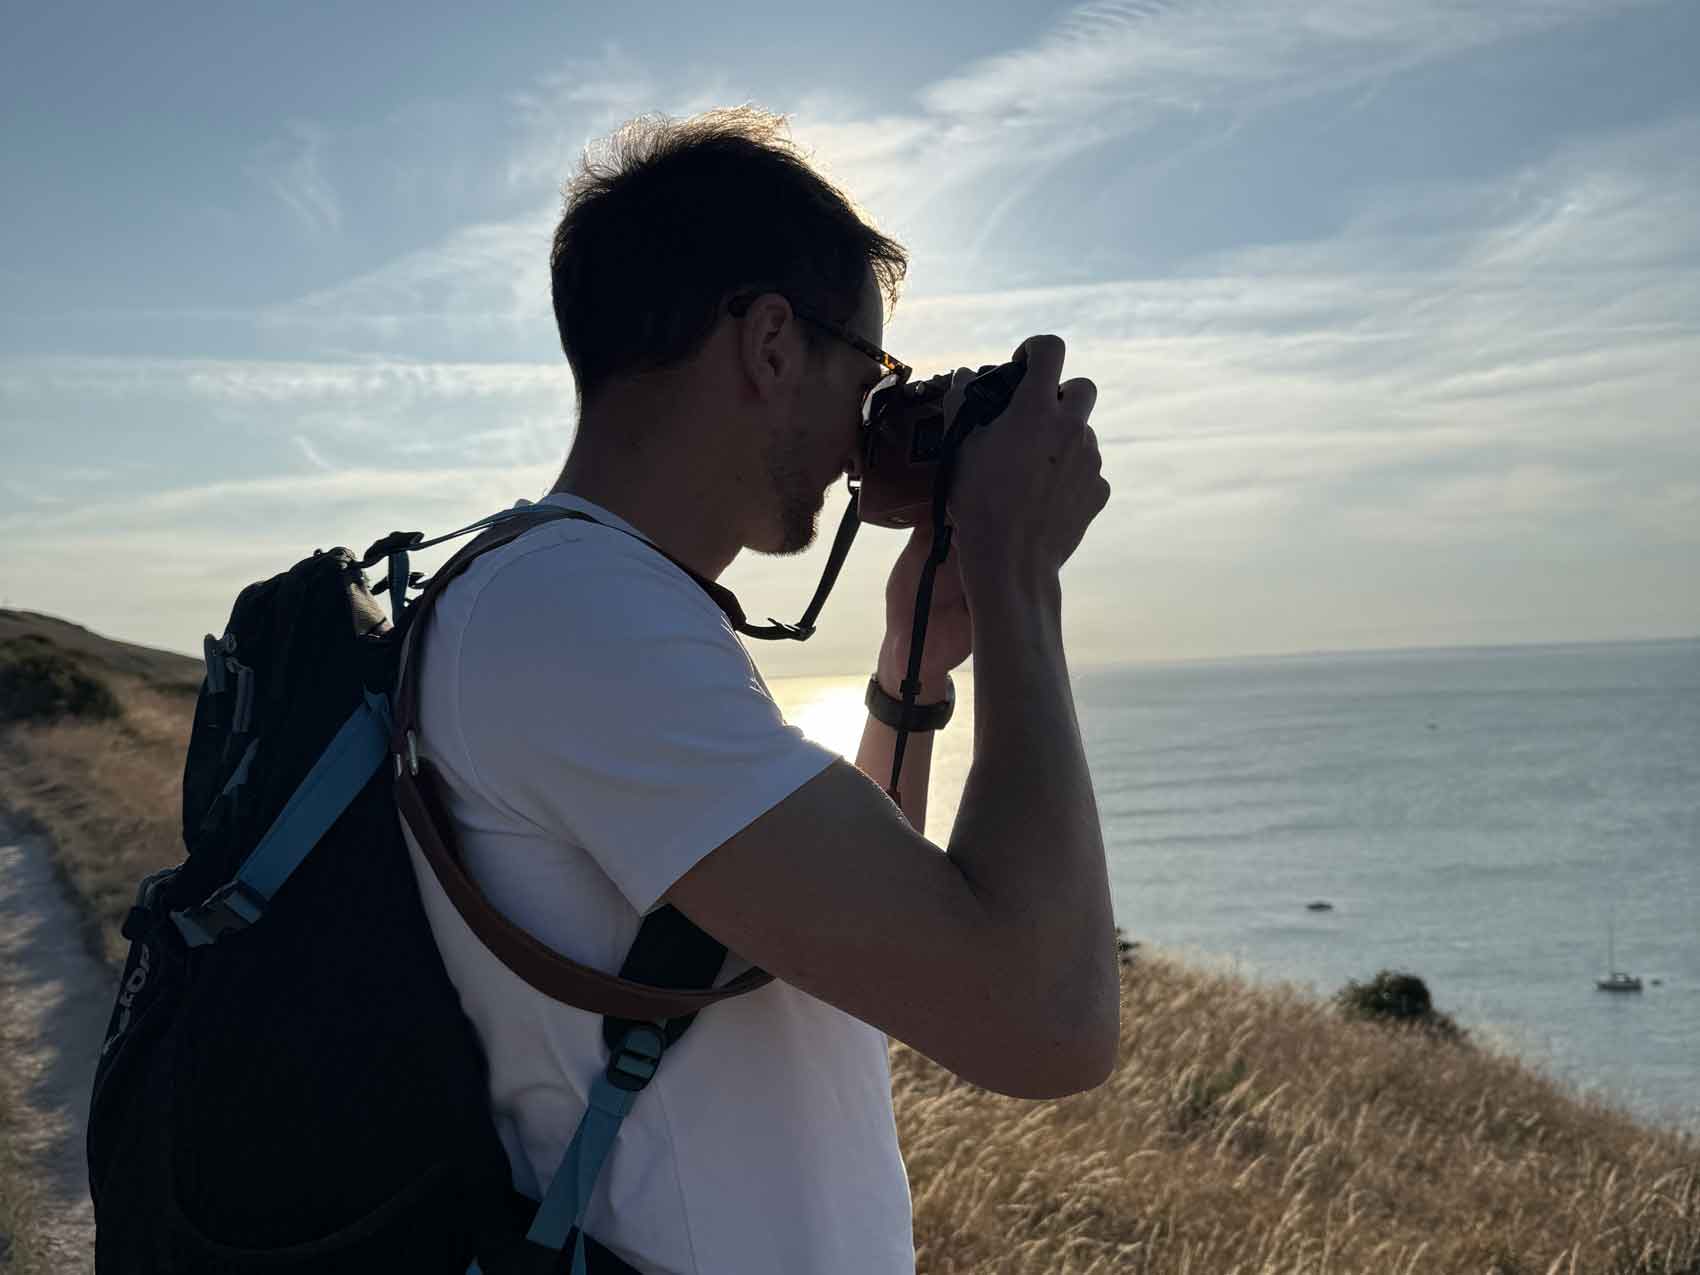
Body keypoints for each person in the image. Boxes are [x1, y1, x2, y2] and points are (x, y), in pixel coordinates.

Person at [399, 105, 1118, 1275]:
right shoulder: (577, 617)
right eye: (868, 372)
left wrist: (908, 669)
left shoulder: (588, 600)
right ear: (773, 344)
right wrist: (1018, 576)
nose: (865, 431)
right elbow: (1048, 1024)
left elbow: (855, 930)